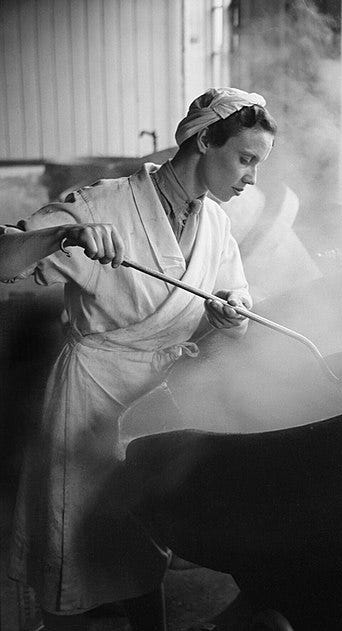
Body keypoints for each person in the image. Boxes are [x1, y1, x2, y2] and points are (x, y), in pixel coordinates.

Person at [0, 87, 277, 630]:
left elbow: (232, 297)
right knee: (72, 544)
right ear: (203, 141)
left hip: (153, 409)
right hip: (90, 400)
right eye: (246, 160)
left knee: (141, 546)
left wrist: (233, 314)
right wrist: (65, 234)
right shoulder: (105, 203)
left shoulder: (216, 223)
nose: (251, 178)